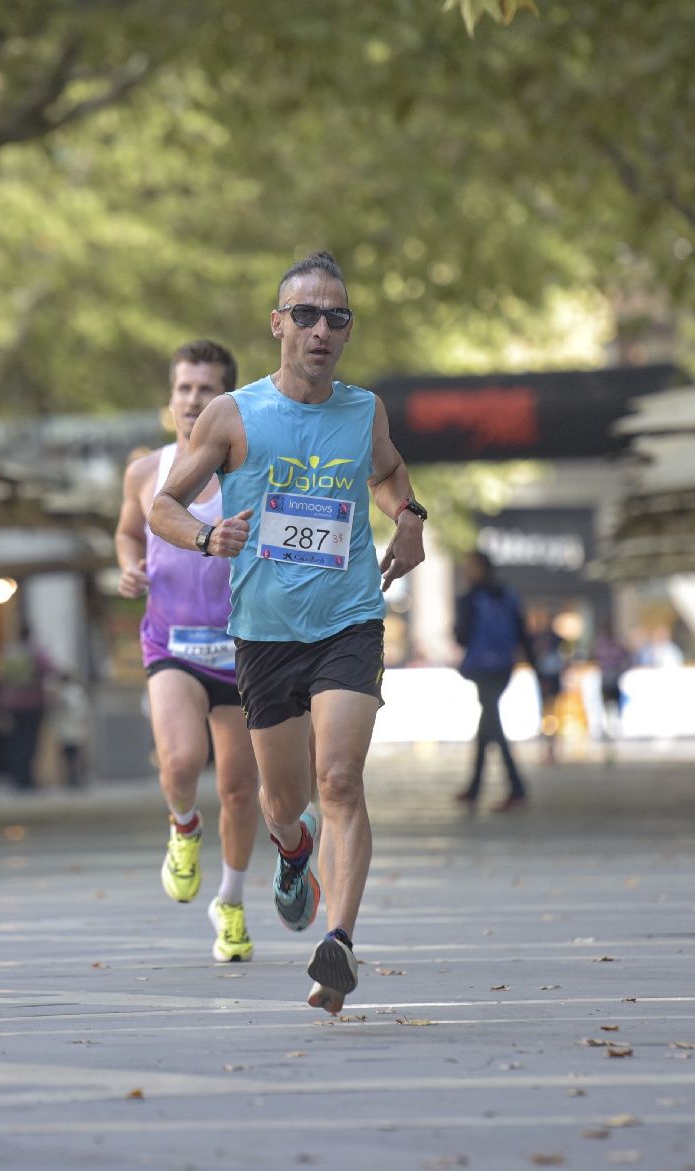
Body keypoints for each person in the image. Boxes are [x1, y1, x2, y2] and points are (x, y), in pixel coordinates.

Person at [149, 250, 427, 1015]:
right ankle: (293, 853)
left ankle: (336, 942)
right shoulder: (232, 415)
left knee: (339, 780)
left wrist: (409, 518)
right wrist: (207, 540)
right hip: (265, 631)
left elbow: (388, 472)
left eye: (336, 317)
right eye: (304, 314)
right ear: (278, 324)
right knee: (283, 801)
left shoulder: (363, 410)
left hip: (349, 619)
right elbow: (163, 505)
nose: (320, 329)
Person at [115, 339, 263, 963]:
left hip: (241, 648)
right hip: (170, 643)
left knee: (237, 787)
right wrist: (128, 568)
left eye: (206, 390)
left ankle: (229, 901)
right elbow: (127, 531)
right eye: (183, 388)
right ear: (170, 397)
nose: (192, 400)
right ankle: (182, 826)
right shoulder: (147, 473)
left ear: (224, 400)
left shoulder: (247, 469)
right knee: (179, 763)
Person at [453, 550, 534, 811]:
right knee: (487, 723)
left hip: (481, 666)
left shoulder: (471, 597)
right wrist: (534, 664)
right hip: (503, 666)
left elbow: (461, 637)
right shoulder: (506, 593)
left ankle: (516, 787)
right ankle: (475, 788)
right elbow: (522, 631)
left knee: (492, 726)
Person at [0, 624, 55, 790]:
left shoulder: (9, 653)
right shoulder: (36, 652)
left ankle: (17, 777)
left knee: (16, 741)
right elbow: (50, 668)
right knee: (29, 742)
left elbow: (2, 677)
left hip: (12, 704)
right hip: (33, 703)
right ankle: (27, 778)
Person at [527, 614, 567, 765]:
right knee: (546, 715)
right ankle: (546, 750)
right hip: (544, 678)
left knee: (553, 715)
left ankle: (553, 750)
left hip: (552, 678)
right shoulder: (539, 640)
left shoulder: (556, 640)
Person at [591, 621, 631, 762]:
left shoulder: (614, 645)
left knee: (613, 709)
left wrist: (620, 669)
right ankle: (609, 735)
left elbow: (627, 657)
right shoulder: (603, 645)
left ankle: (613, 734)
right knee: (608, 709)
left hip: (613, 680)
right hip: (607, 680)